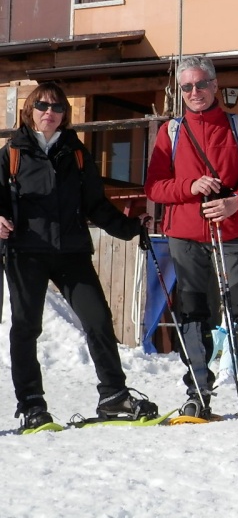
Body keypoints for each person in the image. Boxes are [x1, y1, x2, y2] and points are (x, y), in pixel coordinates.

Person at [0, 82, 159, 430]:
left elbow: (96, 206)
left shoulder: (76, 152)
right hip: (25, 253)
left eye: (57, 108)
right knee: (26, 328)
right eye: (42, 106)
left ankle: (114, 397)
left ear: (64, 115)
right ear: (30, 109)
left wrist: (131, 227)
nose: (49, 113)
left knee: (98, 320)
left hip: (71, 252)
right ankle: (32, 405)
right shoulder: (11, 153)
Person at [145, 55, 238, 417]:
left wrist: (234, 203)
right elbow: (155, 187)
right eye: (187, 86)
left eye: (201, 84)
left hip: (231, 231)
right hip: (185, 234)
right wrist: (190, 186)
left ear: (214, 86)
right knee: (193, 311)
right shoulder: (171, 132)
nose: (195, 92)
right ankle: (198, 390)